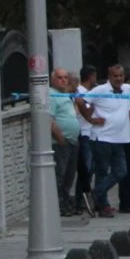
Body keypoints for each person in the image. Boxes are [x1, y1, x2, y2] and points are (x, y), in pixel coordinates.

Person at [83, 65, 130, 218]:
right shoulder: (100, 91)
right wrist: (89, 118)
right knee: (102, 171)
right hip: (102, 138)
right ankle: (102, 205)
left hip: (119, 139)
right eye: (115, 76)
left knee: (121, 171)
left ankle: (95, 194)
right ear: (109, 77)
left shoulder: (126, 91)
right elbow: (81, 101)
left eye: (121, 75)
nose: (118, 78)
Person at [49, 68, 81, 216]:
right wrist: (61, 139)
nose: (63, 80)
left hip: (72, 141)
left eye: (65, 78)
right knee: (60, 175)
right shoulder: (51, 94)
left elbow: (73, 114)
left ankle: (66, 203)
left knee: (69, 175)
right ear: (53, 80)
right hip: (61, 142)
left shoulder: (66, 95)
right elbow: (50, 120)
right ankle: (60, 206)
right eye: (60, 78)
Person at [74, 66, 99, 211]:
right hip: (84, 134)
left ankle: (84, 199)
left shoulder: (88, 92)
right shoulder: (81, 92)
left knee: (90, 169)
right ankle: (80, 200)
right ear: (91, 76)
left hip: (91, 134)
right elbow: (87, 110)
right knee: (86, 169)